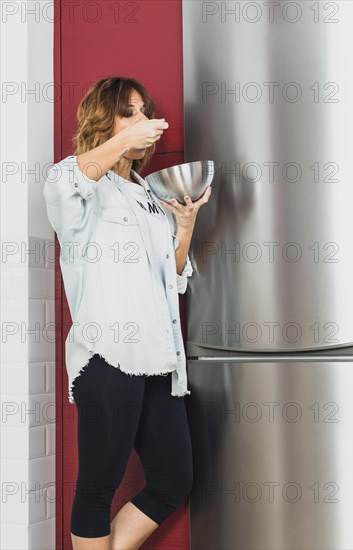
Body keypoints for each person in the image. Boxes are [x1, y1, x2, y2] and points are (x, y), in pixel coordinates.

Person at [43, 76, 212, 550]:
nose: (143, 122)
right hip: (108, 356)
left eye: (145, 112)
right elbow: (63, 183)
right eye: (130, 112)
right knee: (98, 486)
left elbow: (171, 279)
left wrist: (184, 226)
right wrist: (122, 141)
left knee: (173, 480)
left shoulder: (149, 195)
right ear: (104, 120)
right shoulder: (78, 188)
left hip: (160, 359)